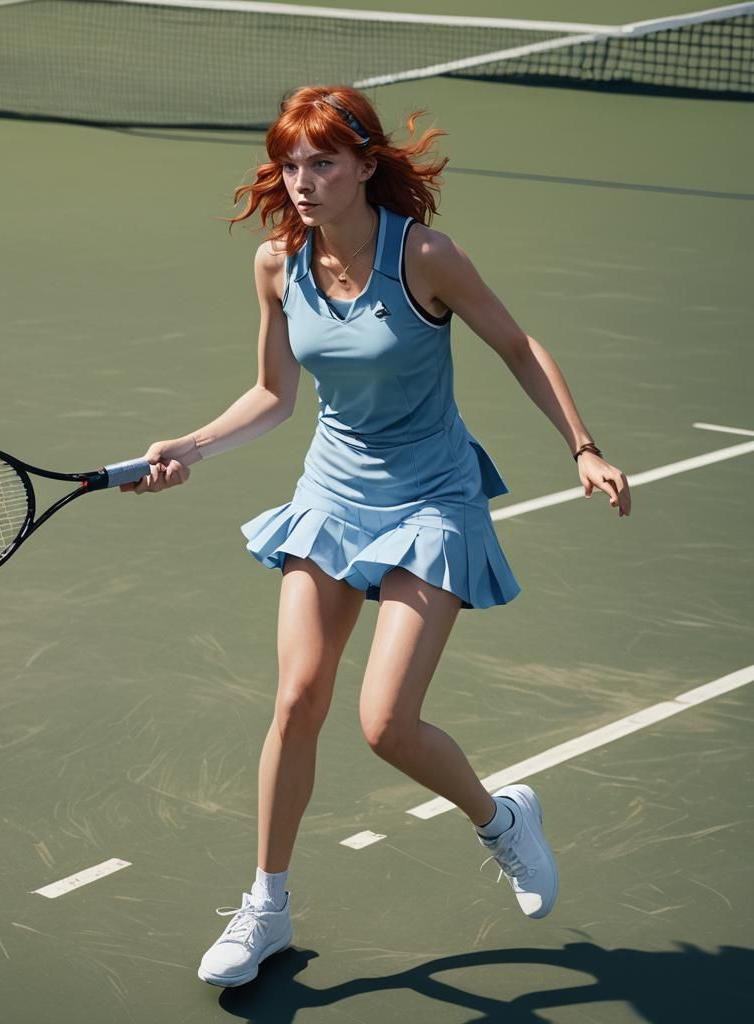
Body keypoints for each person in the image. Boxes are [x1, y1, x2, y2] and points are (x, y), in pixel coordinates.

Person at [120, 85, 632, 988]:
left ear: (364, 165)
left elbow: (517, 345)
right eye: (290, 163)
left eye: (323, 162)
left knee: (386, 724)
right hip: (331, 495)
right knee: (296, 701)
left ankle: (501, 818)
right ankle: (267, 907)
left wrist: (583, 447)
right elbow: (276, 395)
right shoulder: (279, 266)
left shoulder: (426, 257)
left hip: (433, 499)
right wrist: (192, 446)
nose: (303, 180)